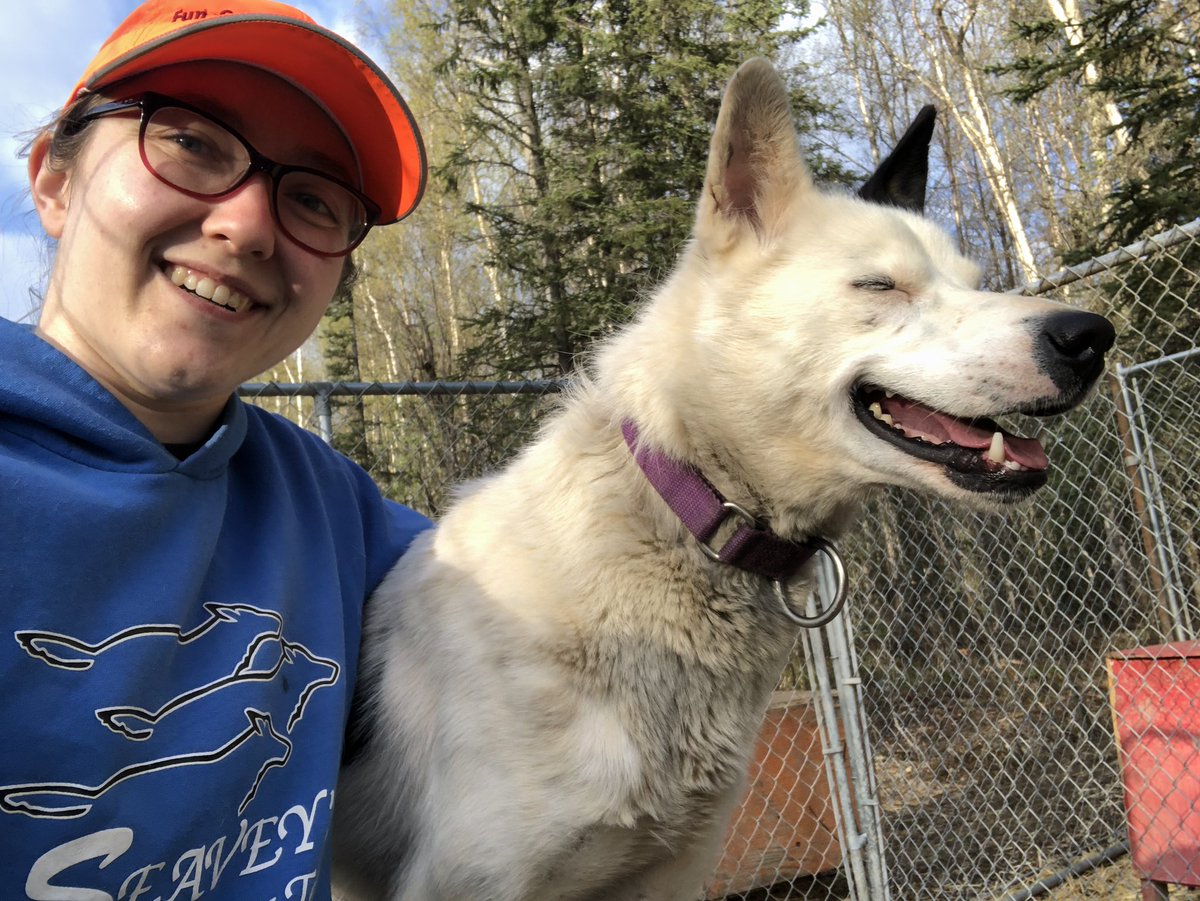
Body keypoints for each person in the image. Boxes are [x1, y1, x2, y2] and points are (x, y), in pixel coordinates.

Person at [0, 2, 430, 897]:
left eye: (313, 198)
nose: (248, 226)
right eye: (192, 142)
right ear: (54, 181)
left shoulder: (329, 507)